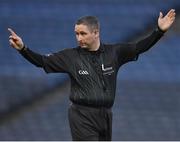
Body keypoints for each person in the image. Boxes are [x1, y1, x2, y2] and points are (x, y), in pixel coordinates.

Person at [8, 9, 175, 141]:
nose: (78, 38)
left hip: (106, 115)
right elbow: (42, 61)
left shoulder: (114, 53)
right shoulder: (71, 57)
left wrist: (159, 31)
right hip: (82, 115)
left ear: (96, 33)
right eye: (76, 34)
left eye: (83, 33)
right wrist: (24, 49)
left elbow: (139, 47)